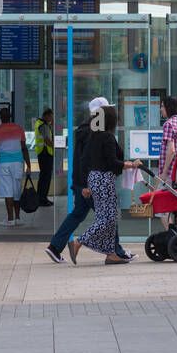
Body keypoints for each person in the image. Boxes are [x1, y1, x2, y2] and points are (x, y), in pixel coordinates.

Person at [45, 97, 130, 263]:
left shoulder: (86, 128)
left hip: (82, 181)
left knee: (79, 214)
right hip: (88, 183)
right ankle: (116, 252)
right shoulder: (92, 131)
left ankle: (54, 247)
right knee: (108, 216)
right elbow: (86, 159)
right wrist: (85, 184)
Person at [69, 104, 140, 264]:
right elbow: (113, 163)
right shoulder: (107, 137)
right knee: (108, 219)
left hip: (94, 179)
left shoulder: (93, 136)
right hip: (104, 180)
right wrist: (131, 164)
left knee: (106, 217)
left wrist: (87, 185)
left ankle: (111, 254)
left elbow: (85, 161)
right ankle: (77, 243)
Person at [0, 107, 30, 227]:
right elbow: (24, 148)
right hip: (18, 163)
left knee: (8, 191)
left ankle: (10, 219)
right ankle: (17, 218)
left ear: (0, 117)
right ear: (10, 116)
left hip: (4, 164)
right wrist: (28, 165)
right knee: (17, 191)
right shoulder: (19, 129)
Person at [33, 108, 55, 207]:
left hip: (42, 153)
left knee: (43, 177)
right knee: (46, 177)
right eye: (51, 117)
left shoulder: (39, 123)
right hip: (45, 153)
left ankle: (42, 198)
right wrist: (57, 144)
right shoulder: (44, 126)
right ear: (46, 116)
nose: (51, 119)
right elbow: (48, 141)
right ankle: (42, 199)